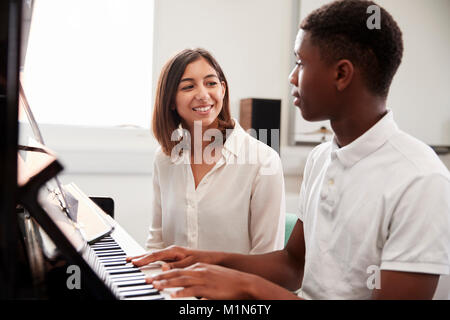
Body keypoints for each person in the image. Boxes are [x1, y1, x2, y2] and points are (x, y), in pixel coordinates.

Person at [128, 0, 450, 299]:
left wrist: (244, 285)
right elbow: (293, 265)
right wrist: (204, 261)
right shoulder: (321, 158)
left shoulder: (420, 179)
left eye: (300, 62)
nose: (291, 76)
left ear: (341, 74)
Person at [145, 48, 286, 255]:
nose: (203, 95)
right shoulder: (165, 158)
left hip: (236, 287)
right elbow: (157, 243)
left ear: (223, 89)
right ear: (171, 101)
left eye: (211, 83)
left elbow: (266, 261)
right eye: (188, 87)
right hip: (171, 286)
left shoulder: (263, 161)